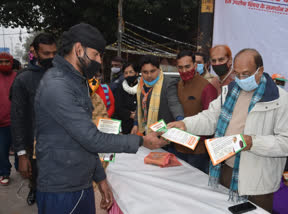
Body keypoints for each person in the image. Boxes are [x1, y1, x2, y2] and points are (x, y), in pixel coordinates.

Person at [34, 23, 167, 214]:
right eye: (96, 54)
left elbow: (84, 140)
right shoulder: (58, 86)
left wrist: (100, 178)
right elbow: (92, 138)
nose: (99, 60)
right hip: (62, 187)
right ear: (79, 49)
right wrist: (142, 140)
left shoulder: (75, 82)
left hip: (80, 180)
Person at [168, 48, 288, 212]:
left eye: (246, 74)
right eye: (237, 74)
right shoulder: (230, 92)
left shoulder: (280, 100)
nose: (241, 79)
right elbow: (210, 118)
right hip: (226, 171)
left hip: (258, 182)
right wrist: (185, 124)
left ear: (260, 71)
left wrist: (252, 142)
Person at [10, 33, 57, 205]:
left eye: (54, 53)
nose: (51, 57)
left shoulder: (62, 74)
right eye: (46, 53)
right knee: (36, 177)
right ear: (35, 53)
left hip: (60, 141)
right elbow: (17, 118)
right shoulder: (23, 79)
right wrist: (22, 154)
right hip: (34, 142)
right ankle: (34, 190)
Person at [170, 50, 217, 173]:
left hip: (197, 151)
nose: (184, 71)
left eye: (187, 66)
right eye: (180, 67)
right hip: (178, 146)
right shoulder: (178, 85)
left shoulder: (207, 87)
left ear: (195, 66)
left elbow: (211, 120)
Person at [131, 55, 184, 136]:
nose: (149, 75)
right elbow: (140, 105)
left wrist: (180, 120)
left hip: (165, 132)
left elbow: (174, 103)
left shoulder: (168, 83)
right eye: (145, 72)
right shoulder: (141, 84)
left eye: (152, 71)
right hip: (146, 131)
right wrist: (135, 124)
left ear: (159, 70)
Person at [0, 52, 17, 186]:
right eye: (1, 62)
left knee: (20, 148)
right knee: (2, 150)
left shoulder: (17, 77)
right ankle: (4, 172)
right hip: (1, 123)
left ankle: (22, 169)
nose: (4, 64)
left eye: (7, 61)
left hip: (17, 121)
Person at [115, 62, 140, 134]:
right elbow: (118, 107)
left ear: (137, 73)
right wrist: (130, 115)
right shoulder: (119, 88)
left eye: (131, 72)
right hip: (125, 125)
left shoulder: (143, 87)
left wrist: (138, 115)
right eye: (126, 73)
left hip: (141, 125)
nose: (128, 75)